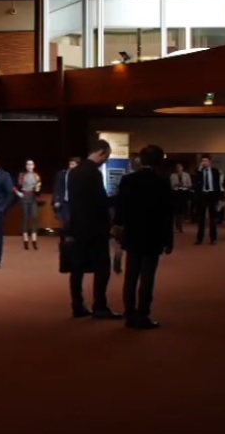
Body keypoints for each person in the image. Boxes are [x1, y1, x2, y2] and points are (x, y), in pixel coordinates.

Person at [112, 145, 174, 329]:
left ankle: (129, 313)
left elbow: (120, 208)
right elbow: (166, 214)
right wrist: (168, 240)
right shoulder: (162, 182)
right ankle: (143, 314)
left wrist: (118, 229)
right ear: (158, 161)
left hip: (132, 234)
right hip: (153, 235)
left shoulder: (128, 180)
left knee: (131, 275)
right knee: (147, 277)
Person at [65, 139, 121, 319]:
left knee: (77, 269)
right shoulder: (94, 174)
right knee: (102, 267)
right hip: (95, 228)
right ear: (102, 153)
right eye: (107, 157)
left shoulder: (73, 173)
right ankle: (100, 306)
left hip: (77, 227)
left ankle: (77, 306)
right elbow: (101, 202)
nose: (106, 160)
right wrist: (118, 199)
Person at [193, 154, 222, 245]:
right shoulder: (200, 172)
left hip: (212, 195)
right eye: (202, 161)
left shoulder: (215, 171)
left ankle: (213, 239)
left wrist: (219, 198)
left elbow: (218, 185)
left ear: (209, 162)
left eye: (205, 161)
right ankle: (199, 239)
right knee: (201, 219)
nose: (204, 162)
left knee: (213, 219)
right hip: (202, 195)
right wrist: (199, 170)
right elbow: (195, 182)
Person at [14, 159, 42, 250]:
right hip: (24, 197)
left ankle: (34, 240)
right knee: (25, 218)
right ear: (26, 166)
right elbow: (15, 187)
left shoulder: (36, 176)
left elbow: (38, 189)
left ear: (34, 166)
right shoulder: (22, 175)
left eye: (31, 164)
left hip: (33, 198)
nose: (30, 166)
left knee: (34, 217)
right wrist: (18, 193)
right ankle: (25, 240)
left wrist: (38, 188)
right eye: (28, 164)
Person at [52, 157, 80, 229]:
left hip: (75, 202)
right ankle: (64, 238)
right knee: (66, 220)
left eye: (73, 164)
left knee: (75, 221)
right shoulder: (62, 174)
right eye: (70, 164)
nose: (71, 166)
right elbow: (57, 187)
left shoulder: (80, 175)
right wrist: (56, 200)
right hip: (64, 201)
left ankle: (72, 238)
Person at [169, 163, 192, 233]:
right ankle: (175, 225)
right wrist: (176, 184)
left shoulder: (186, 175)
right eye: (177, 167)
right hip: (175, 193)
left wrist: (184, 185)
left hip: (183, 193)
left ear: (182, 168)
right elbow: (170, 185)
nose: (178, 168)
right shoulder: (172, 175)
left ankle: (180, 226)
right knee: (175, 211)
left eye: (180, 167)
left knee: (181, 210)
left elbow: (190, 184)